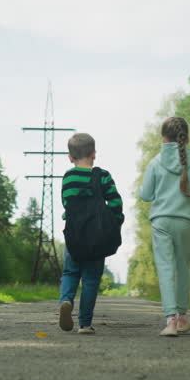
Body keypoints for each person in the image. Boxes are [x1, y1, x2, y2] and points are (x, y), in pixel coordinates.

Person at [139, 116, 190, 337]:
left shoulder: (155, 162)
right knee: (182, 268)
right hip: (185, 221)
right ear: (186, 137)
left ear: (163, 137)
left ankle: (170, 321)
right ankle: (182, 318)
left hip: (161, 221)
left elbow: (146, 195)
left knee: (166, 268)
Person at [58, 132, 124, 334]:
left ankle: (66, 300)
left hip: (74, 235)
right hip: (97, 236)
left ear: (70, 157)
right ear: (94, 154)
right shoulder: (103, 176)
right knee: (91, 279)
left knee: (70, 272)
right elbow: (116, 203)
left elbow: (67, 204)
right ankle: (84, 324)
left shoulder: (68, 177)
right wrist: (114, 221)